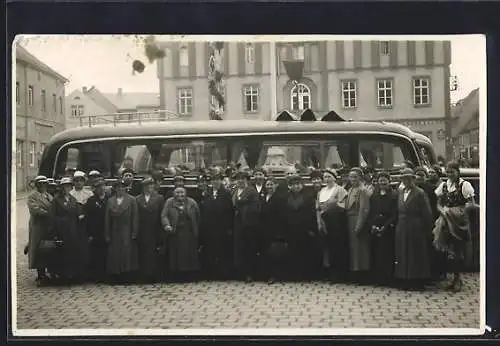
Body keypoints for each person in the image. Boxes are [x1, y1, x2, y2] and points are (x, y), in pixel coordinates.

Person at [432, 162, 476, 292]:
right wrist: (443, 211)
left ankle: (458, 279)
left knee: (458, 250)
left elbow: (471, 204)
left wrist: (457, 211)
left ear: (458, 171)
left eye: (452, 171)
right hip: (446, 220)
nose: (450, 174)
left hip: (459, 222)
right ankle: (453, 279)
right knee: (449, 250)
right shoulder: (444, 186)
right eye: (448, 171)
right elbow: (438, 204)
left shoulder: (464, 185)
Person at [394, 168, 433, 291]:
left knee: (415, 254)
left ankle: (416, 280)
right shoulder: (400, 192)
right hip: (402, 225)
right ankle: (404, 278)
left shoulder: (420, 193)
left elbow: (427, 213)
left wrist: (425, 228)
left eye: (408, 178)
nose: (406, 181)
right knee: (403, 252)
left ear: (413, 179)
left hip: (416, 226)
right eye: (404, 178)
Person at [49, 177, 88, 284]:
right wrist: (57, 227)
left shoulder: (73, 199)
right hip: (61, 230)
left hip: (72, 230)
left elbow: (78, 213)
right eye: (65, 186)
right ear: (61, 188)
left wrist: (81, 215)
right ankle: (61, 275)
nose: (67, 188)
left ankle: (72, 275)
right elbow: (52, 216)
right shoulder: (56, 200)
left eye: (69, 186)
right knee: (61, 253)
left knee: (72, 252)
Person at [161, 187, 201, 282]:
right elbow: (164, 215)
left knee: (188, 255)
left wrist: (196, 229)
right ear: (174, 194)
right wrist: (167, 225)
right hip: (175, 232)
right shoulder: (169, 202)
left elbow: (198, 216)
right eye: (177, 192)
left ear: (185, 193)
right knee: (175, 255)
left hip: (189, 233)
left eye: (182, 192)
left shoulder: (192, 202)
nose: (180, 194)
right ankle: (176, 276)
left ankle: (188, 276)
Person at [199, 172, 234, 280]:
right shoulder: (207, 193)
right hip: (209, 227)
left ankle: (223, 274)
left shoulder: (226, 194)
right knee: (210, 250)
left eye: (218, 180)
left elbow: (230, 211)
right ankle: (210, 273)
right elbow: (203, 210)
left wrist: (229, 227)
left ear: (221, 181)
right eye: (214, 180)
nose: (216, 182)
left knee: (223, 250)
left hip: (222, 227)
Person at [317, 169, 349, 283]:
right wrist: (319, 222)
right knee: (327, 248)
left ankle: (338, 274)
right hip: (324, 221)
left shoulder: (340, 190)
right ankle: (327, 273)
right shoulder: (321, 191)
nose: (327, 179)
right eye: (325, 177)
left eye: (329, 177)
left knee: (337, 247)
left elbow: (344, 206)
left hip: (336, 222)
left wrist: (334, 204)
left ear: (334, 178)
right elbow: (318, 208)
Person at [104, 179, 140, 284]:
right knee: (115, 253)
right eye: (118, 187)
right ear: (115, 189)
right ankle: (115, 276)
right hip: (115, 230)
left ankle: (126, 276)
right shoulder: (110, 201)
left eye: (123, 187)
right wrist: (107, 233)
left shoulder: (132, 200)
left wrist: (134, 231)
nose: (120, 189)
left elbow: (135, 216)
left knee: (127, 253)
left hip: (127, 229)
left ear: (126, 188)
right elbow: (107, 218)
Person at [283, 174, 317, 281]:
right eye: (293, 184)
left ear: (302, 185)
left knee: (305, 252)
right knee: (292, 251)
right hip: (291, 229)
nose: (296, 186)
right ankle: (293, 274)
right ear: (290, 186)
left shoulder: (308, 197)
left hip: (304, 229)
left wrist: (311, 228)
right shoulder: (286, 198)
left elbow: (312, 214)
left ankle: (305, 275)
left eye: (298, 184)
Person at [367, 172, 398, 286]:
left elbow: (394, 214)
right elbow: (370, 212)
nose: (383, 182)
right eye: (381, 180)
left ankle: (388, 278)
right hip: (376, 225)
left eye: (385, 180)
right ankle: (377, 278)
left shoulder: (394, 195)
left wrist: (385, 227)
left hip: (388, 226)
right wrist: (373, 225)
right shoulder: (374, 195)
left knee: (387, 253)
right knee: (376, 253)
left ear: (389, 181)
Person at [232, 171, 261, 282]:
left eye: (243, 179)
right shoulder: (234, 191)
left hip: (249, 224)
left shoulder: (251, 191)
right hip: (237, 222)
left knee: (249, 248)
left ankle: (250, 273)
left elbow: (256, 207)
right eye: (238, 179)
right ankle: (240, 272)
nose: (240, 181)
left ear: (247, 180)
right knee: (239, 248)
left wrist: (242, 205)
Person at [26, 176, 54, 286]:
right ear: (36, 185)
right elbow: (35, 209)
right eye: (40, 184)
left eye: (44, 184)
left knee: (48, 247)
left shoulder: (49, 196)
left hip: (48, 226)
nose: (42, 186)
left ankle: (47, 272)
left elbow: (54, 206)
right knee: (38, 248)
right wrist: (48, 213)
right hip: (38, 225)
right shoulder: (32, 197)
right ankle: (40, 274)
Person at [345, 167, 371, 283]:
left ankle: (362, 272)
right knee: (353, 247)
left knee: (360, 247)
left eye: (355, 177)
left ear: (360, 177)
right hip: (349, 219)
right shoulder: (350, 189)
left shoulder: (362, 190)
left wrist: (359, 225)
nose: (353, 179)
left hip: (357, 219)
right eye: (351, 177)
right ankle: (354, 271)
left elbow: (363, 209)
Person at [136, 178, 165, 283]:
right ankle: (143, 275)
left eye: (151, 185)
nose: (149, 188)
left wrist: (161, 230)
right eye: (146, 186)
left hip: (154, 228)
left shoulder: (159, 198)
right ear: (143, 187)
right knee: (143, 252)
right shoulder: (138, 199)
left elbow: (162, 214)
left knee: (153, 253)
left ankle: (154, 276)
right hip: (142, 229)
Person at [260, 177, 287, 284]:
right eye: (268, 185)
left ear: (276, 185)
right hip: (264, 229)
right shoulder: (262, 198)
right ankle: (265, 274)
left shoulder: (280, 198)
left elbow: (282, 216)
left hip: (275, 229)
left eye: (272, 184)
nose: (269, 187)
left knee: (275, 253)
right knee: (265, 252)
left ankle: (275, 275)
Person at [84, 179, 109, 283]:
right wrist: (89, 233)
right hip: (95, 232)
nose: (101, 189)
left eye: (102, 186)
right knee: (95, 255)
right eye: (98, 187)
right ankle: (96, 276)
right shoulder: (91, 201)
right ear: (95, 189)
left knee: (106, 254)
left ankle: (106, 275)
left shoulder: (110, 199)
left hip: (106, 231)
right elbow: (87, 217)